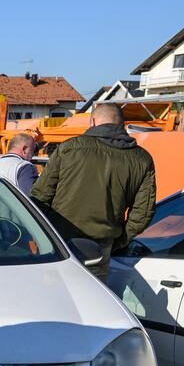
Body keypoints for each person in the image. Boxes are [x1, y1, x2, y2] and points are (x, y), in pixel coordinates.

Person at [30, 102, 157, 278]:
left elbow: (40, 196)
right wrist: (117, 240)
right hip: (100, 247)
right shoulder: (141, 159)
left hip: (58, 241)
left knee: (53, 295)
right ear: (122, 123)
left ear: (93, 121)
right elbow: (142, 213)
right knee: (90, 299)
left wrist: (43, 233)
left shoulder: (70, 148)